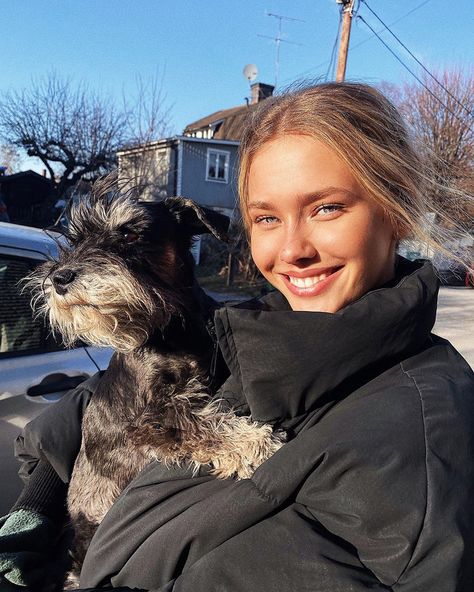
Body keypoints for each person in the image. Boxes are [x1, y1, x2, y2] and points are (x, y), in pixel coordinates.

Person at [1, 82, 474, 592]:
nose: (292, 249)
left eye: (327, 208)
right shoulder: (257, 324)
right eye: (267, 217)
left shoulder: (424, 430)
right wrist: (38, 505)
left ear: (396, 210)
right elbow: (97, 402)